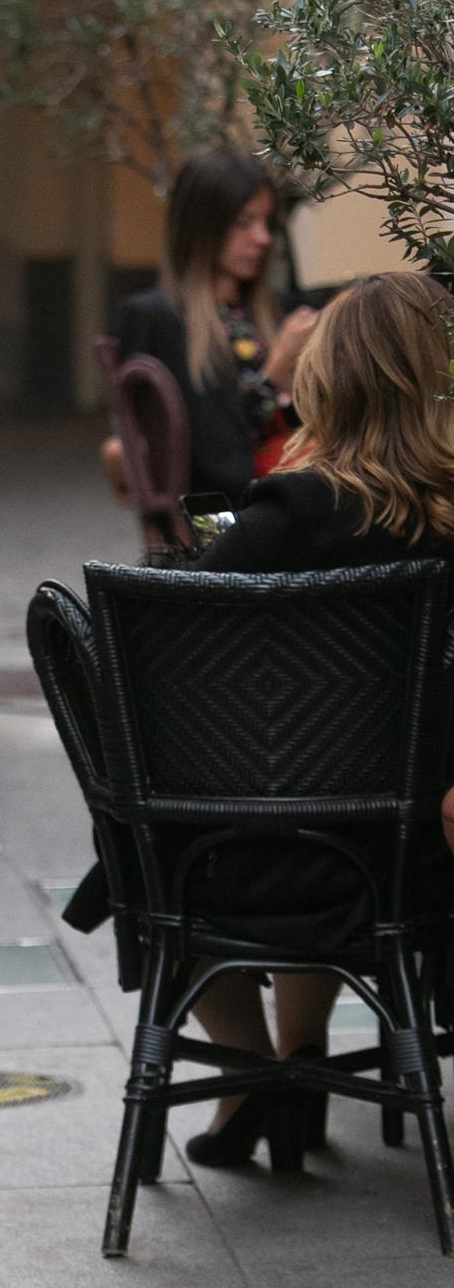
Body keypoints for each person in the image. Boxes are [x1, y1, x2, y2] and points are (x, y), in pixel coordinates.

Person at [182, 270, 454, 1165]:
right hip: (421, 860)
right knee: (323, 802)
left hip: (282, 855)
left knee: (146, 839)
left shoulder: (292, 514)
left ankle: (252, 1071)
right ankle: (300, 1061)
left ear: (330, 379)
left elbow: (174, 656)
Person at [108, 146, 319, 506]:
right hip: (224, 517)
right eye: (244, 223)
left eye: (266, 222)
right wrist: (275, 372)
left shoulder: (275, 312)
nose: (263, 238)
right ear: (201, 227)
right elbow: (213, 460)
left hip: (290, 501)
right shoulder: (157, 319)